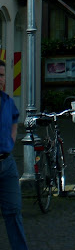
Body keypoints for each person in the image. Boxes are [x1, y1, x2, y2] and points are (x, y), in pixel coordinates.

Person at [0, 59, 29, 250]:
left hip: (7, 164)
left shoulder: (7, 101)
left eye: (1, 75)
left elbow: (14, 119)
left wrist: (10, 142)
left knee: (13, 211)